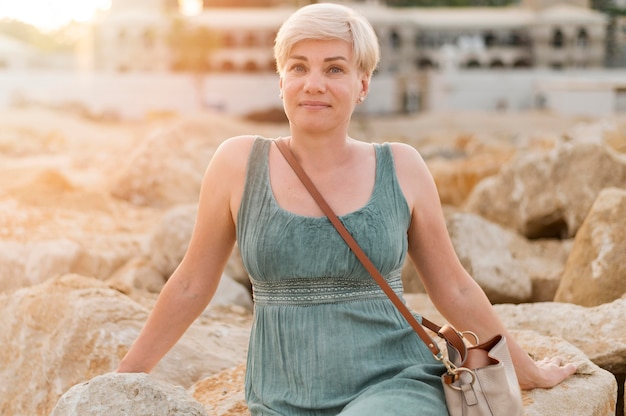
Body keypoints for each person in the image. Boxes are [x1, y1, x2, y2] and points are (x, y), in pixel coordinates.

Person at [117, 3, 577, 415]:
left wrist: (527, 371)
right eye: (299, 67)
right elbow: (193, 283)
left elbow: (453, 288)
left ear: (362, 84)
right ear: (281, 81)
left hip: (395, 383)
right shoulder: (237, 163)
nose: (313, 84)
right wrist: (124, 377)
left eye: (334, 69)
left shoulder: (401, 165)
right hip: (281, 395)